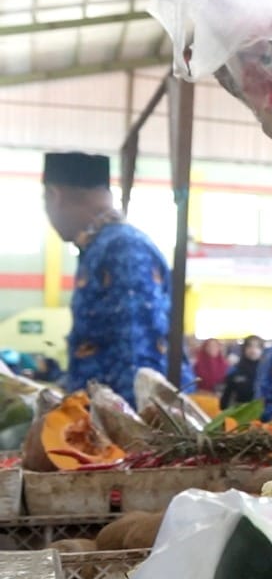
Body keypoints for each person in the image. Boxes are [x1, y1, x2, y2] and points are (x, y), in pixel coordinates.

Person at [43, 151, 192, 403]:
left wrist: (127, 437)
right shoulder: (99, 247)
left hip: (130, 431)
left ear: (54, 196)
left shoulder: (121, 248)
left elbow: (137, 359)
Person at [221, 336, 265, 408]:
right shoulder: (235, 370)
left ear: (262, 350)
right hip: (240, 412)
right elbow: (226, 396)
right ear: (244, 348)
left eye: (257, 347)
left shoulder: (267, 371)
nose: (253, 350)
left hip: (263, 413)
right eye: (250, 346)